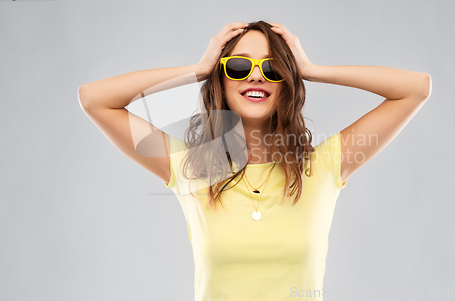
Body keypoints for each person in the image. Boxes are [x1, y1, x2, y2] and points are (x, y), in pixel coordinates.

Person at [78, 21, 431, 300]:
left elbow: (415, 88)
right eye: (239, 65)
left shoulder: (322, 167)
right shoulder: (191, 167)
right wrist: (199, 68)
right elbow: (94, 99)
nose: (256, 74)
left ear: (286, 82)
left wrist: (311, 69)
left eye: (273, 67)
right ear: (222, 78)